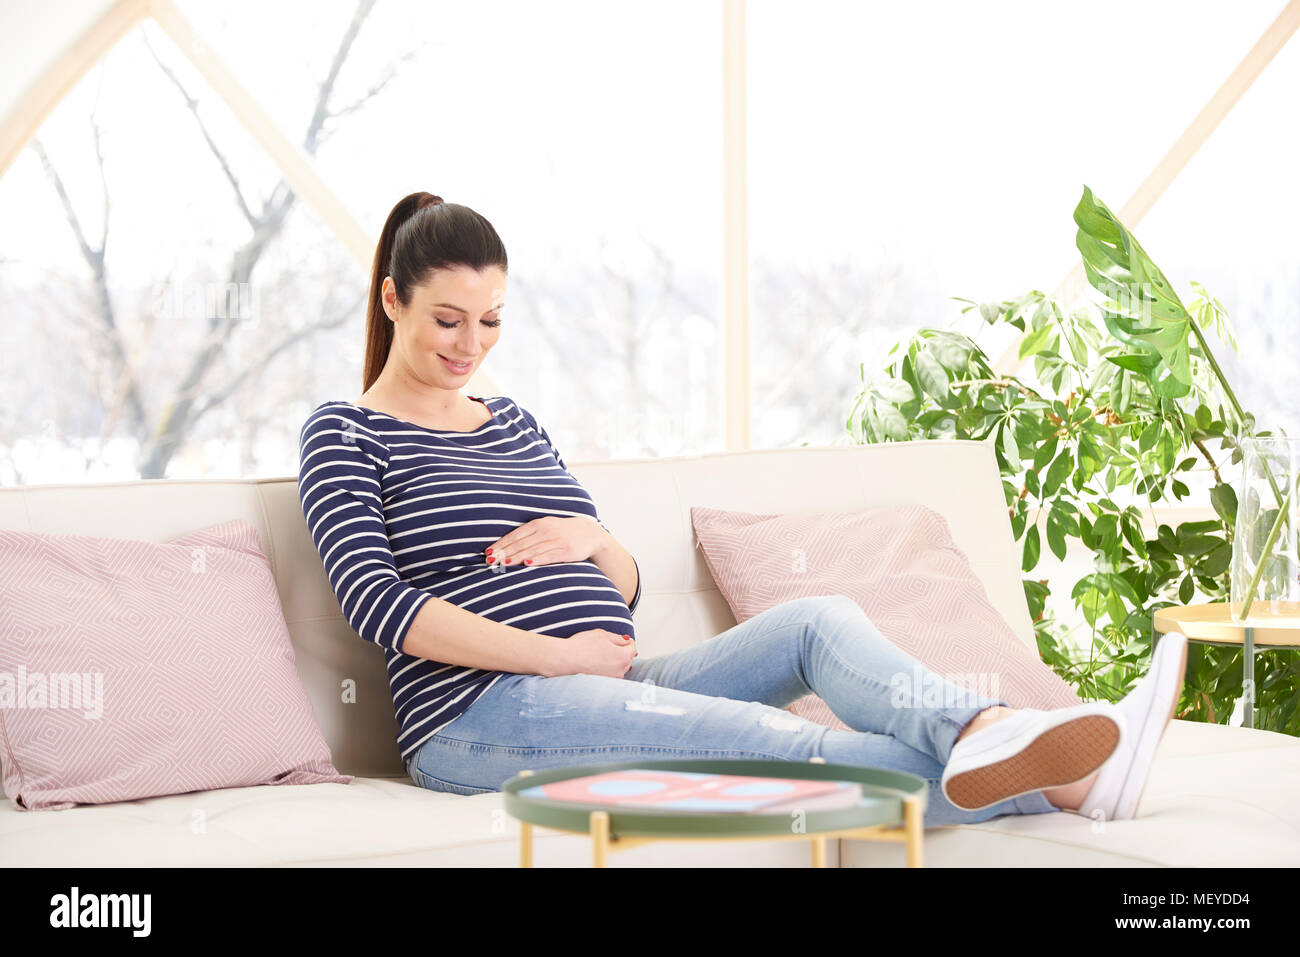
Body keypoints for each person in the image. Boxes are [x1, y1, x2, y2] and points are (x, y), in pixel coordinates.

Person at [297, 191, 1188, 828]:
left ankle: (990, 729)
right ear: (391, 300)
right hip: (479, 717)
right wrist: (555, 655)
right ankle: (1066, 780)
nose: (471, 344)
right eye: (448, 320)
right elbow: (378, 605)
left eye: (490, 320)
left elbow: (627, 585)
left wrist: (598, 540)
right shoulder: (345, 431)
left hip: (617, 678)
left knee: (816, 622)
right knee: (773, 741)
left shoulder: (515, 420)